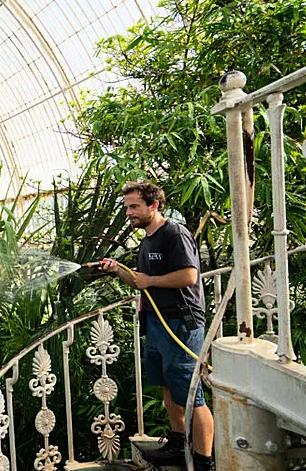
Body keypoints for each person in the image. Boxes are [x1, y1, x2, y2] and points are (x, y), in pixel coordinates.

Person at [101, 181, 215, 470]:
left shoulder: (174, 233)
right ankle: (178, 443)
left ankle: (203, 461)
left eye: (134, 206)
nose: (129, 213)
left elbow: (189, 276)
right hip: (156, 322)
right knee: (166, 384)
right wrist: (118, 271)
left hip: (180, 323)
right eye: (127, 207)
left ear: (154, 205)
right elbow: (142, 283)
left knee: (190, 391)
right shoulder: (147, 240)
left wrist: (149, 280)